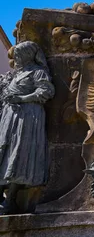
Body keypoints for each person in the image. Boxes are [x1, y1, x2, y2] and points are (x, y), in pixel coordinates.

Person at [0, 42, 55, 214]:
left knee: (19, 155)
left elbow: (46, 92)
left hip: (28, 117)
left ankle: (10, 200)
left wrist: (22, 98)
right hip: (10, 116)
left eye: (18, 54)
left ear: (28, 54)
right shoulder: (18, 74)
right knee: (3, 150)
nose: (15, 58)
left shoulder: (38, 72)